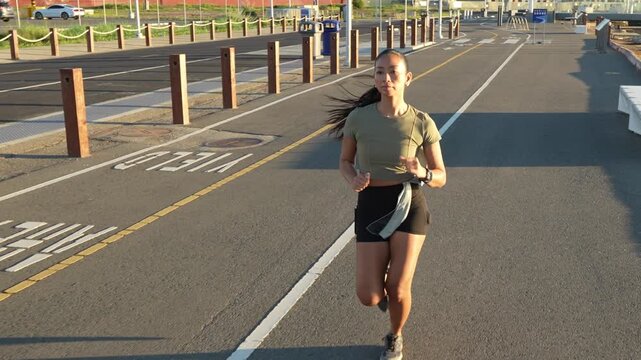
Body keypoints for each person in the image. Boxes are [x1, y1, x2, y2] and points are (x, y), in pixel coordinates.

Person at [328, 49, 446, 360]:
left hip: (408, 203)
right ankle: (386, 296)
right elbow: (344, 161)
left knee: (399, 288)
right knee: (369, 295)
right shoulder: (358, 119)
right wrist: (352, 178)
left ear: (408, 78)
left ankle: (395, 336)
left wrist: (422, 172)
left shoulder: (422, 122)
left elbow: (441, 177)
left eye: (393, 72)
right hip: (370, 203)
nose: (386, 78)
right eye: (380, 72)